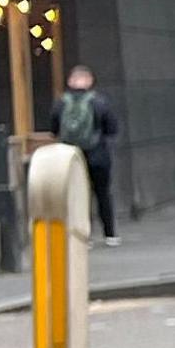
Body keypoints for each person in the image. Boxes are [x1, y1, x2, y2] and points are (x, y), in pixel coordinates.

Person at [54, 64, 124, 245]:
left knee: (78, 196)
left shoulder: (61, 102)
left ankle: (84, 236)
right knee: (102, 194)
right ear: (90, 81)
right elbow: (112, 128)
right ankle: (110, 234)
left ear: (70, 81)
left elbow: (54, 129)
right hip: (98, 155)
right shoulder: (100, 102)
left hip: (71, 157)